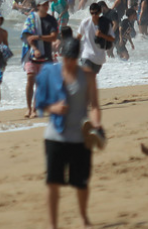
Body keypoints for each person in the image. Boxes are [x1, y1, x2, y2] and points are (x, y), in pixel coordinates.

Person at [35, 38, 103, 229]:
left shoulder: (88, 76)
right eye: (67, 58)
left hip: (81, 137)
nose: (69, 62)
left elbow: (95, 106)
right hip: (55, 136)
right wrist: (53, 107)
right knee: (53, 183)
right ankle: (52, 224)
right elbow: (39, 102)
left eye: (73, 58)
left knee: (81, 182)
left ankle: (83, 218)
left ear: (78, 57)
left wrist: (96, 124)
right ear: (61, 55)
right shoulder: (50, 73)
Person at [21, 0, 59, 118]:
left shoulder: (51, 20)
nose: (46, 6)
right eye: (44, 4)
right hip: (31, 54)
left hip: (46, 55)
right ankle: (28, 108)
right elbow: (27, 36)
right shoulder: (31, 18)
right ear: (38, 6)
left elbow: (53, 37)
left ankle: (35, 109)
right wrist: (35, 48)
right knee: (30, 79)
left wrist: (39, 37)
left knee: (40, 84)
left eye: (47, 4)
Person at [76, 3, 115, 76]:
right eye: (92, 13)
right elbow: (78, 37)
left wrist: (102, 35)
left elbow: (112, 38)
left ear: (100, 12)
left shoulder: (106, 23)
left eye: (96, 13)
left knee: (91, 78)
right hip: (86, 55)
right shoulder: (85, 22)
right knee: (86, 76)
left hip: (99, 58)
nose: (94, 15)